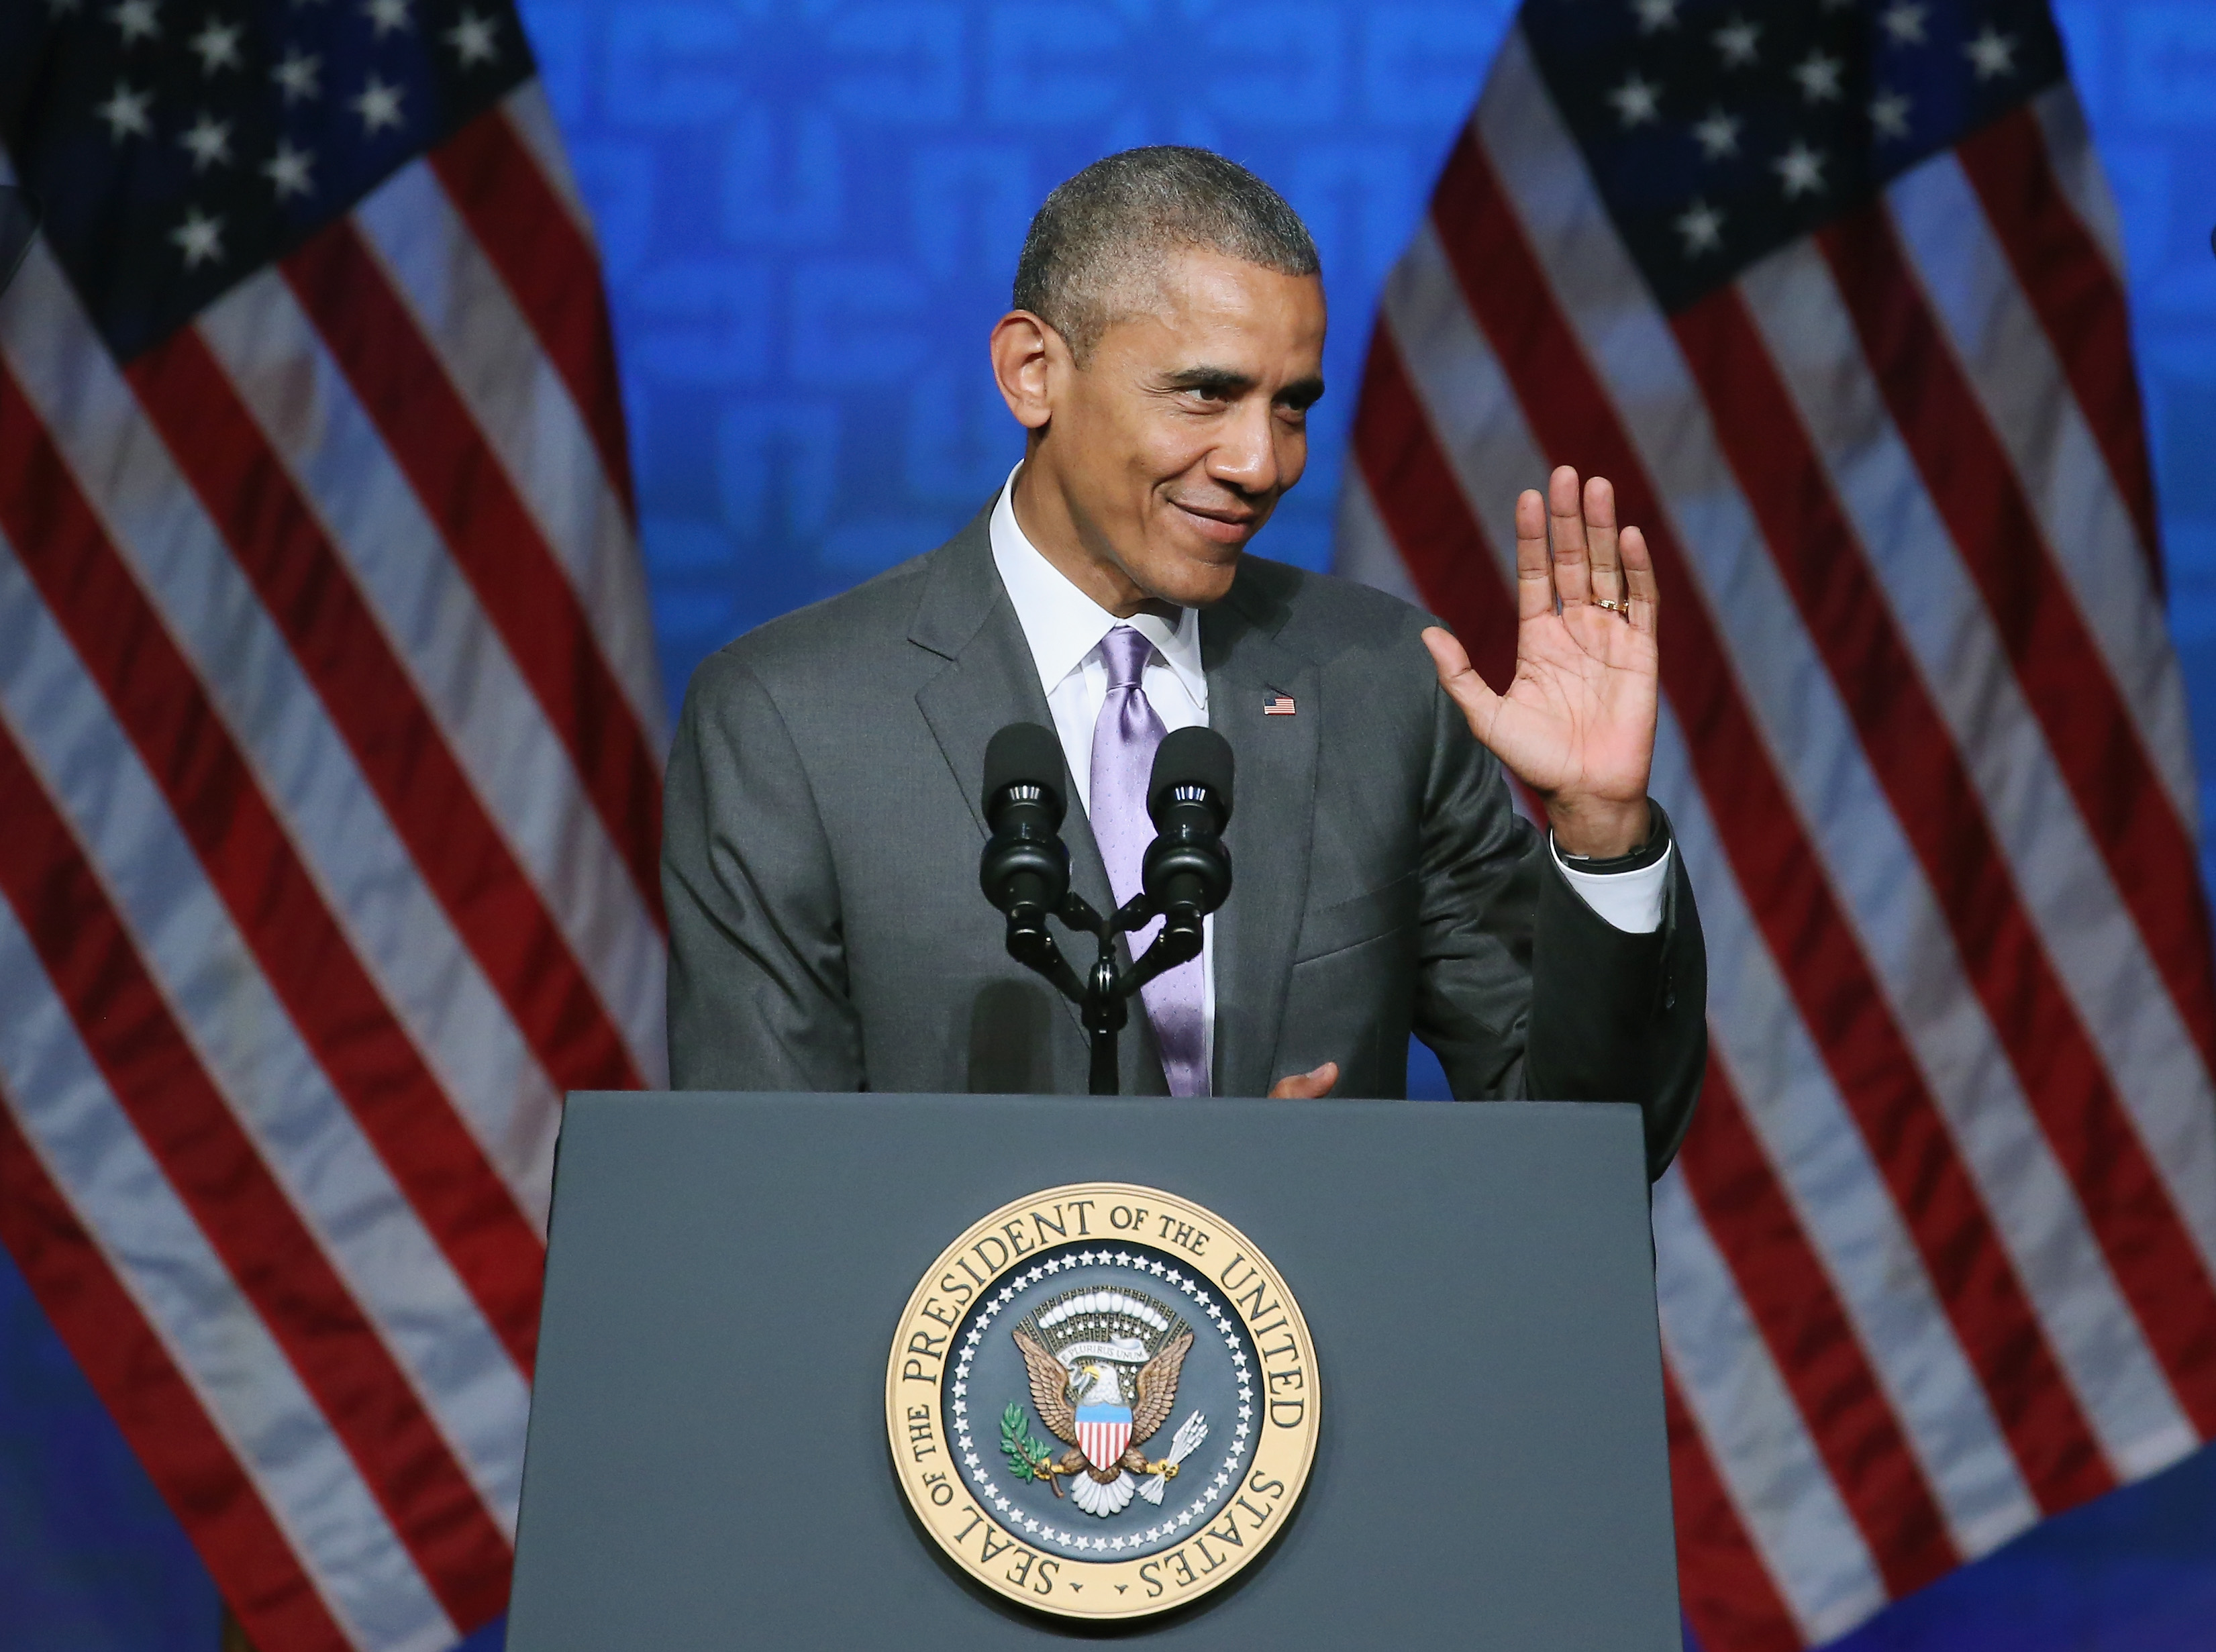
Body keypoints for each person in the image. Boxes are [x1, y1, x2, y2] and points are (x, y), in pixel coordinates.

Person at [664, 148, 1705, 1175]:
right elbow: (761, 1190)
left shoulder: (1379, 682)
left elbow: (1591, 1141)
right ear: (1034, 372)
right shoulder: (791, 719)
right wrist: (1186, 1199)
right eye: (1205, 394)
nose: (1263, 464)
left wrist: (1602, 833)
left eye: (1290, 403)